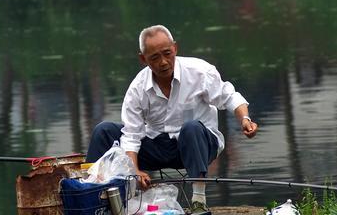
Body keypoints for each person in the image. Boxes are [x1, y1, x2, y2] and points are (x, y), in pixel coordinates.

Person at [86, 25, 259, 214]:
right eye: (154, 58)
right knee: (104, 131)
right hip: (159, 145)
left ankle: (198, 201)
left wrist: (245, 119)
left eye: (167, 54)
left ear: (175, 48)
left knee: (191, 128)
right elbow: (132, 135)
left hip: (199, 144)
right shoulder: (137, 88)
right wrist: (134, 171)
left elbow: (229, 96)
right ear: (143, 59)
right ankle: (90, 198)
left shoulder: (199, 71)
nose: (163, 62)